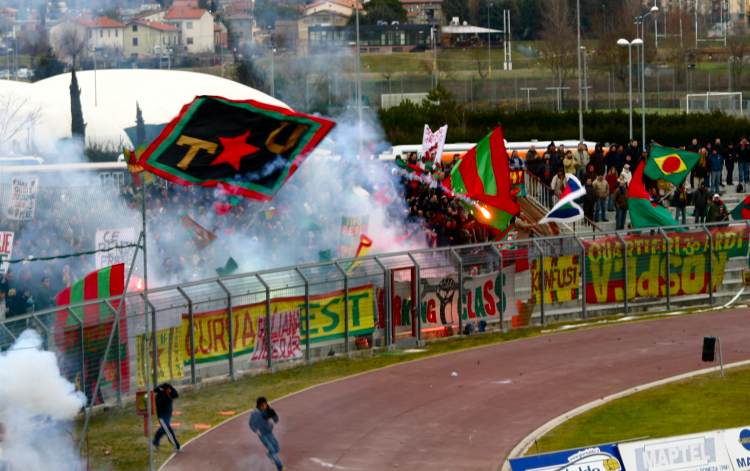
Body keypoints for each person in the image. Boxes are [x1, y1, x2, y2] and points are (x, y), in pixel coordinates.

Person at [249, 397, 284, 471]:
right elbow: (251, 424)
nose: (265, 406)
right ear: (260, 405)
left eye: (266, 404)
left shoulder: (268, 410)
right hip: (262, 435)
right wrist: (256, 430)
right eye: (264, 405)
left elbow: (276, 420)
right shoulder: (255, 413)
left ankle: (269, 455)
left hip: (270, 432)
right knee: (273, 450)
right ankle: (280, 467)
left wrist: (271, 411)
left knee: (277, 448)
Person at [152, 383, 180, 451]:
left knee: (167, 428)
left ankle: (155, 441)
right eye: (168, 389)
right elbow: (155, 390)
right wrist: (161, 388)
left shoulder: (170, 394)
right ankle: (176, 445)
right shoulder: (160, 395)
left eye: (169, 389)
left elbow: (176, 395)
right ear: (165, 389)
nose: (169, 390)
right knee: (166, 428)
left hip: (168, 415)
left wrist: (170, 386)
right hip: (162, 416)